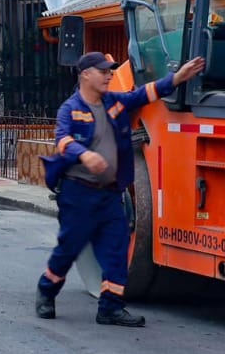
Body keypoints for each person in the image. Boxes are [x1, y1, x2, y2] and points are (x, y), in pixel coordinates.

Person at [36, 51, 206, 327]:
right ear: (86, 75)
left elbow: (145, 94)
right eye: (103, 71)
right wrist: (84, 155)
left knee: (117, 249)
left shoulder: (114, 103)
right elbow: (62, 140)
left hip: (109, 194)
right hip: (78, 193)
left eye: (110, 71)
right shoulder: (70, 109)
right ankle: (46, 291)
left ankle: (111, 308)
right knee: (69, 249)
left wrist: (178, 78)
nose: (109, 75)